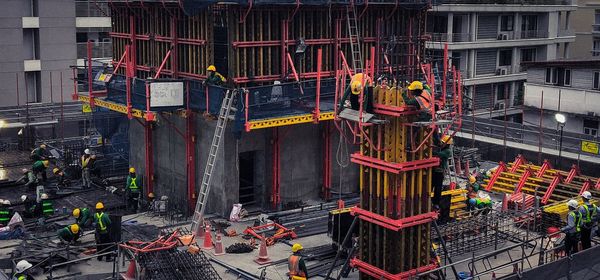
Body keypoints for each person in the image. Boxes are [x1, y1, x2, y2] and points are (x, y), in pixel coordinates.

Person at [431, 135, 452, 208]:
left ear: (447, 144)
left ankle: (436, 203)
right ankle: (429, 199)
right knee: (431, 185)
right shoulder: (442, 148)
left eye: (443, 143)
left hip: (440, 172)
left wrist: (430, 149)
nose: (442, 144)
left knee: (438, 188)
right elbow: (438, 143)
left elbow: (438, 154)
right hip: (434, 170)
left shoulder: (447, 151)